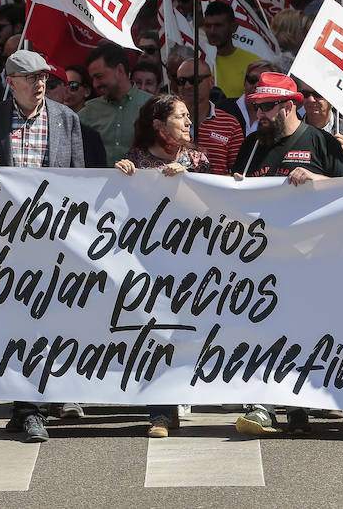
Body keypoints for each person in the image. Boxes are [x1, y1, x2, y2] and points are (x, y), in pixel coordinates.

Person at [231, 71, 343, 437]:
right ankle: (262, 402)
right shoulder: (253, 144)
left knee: (302, 330)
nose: (260, 114)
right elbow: (231, 192)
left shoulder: (320, 142)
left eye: (267, 107)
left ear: (289, 106)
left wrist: (317, 180)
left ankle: (297, 401)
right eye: (256, 106)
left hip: (311, 259)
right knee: (262, 327)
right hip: (262, 256)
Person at [0, 50, 87, 443]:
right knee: (17, 321)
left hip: (52, 236)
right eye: (31, 77)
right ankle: (27, 407)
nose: (40, 83)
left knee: (44, 319)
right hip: (6, 238)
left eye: (43, 77)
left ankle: (31, 407)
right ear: (11, 81)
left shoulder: (66, 118)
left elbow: (77, 181)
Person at [114, 94, 213, 438]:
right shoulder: (136, 160)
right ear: (158, 126)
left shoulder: (198, 161)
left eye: (189, 116)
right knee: (154, 333)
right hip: (149, 264)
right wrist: (122, 176)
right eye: (180, 117)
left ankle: (182, 395)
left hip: (193, 263)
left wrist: (190, 181)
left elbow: (216, 207)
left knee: (186, 332)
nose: (189, 122)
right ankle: (159, 412)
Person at [81, 43, 152, 166]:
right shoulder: (88, 110)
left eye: (99, 76)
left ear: (119, 70)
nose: (95, 84)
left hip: (141, 183)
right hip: (99, 183)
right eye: (93, 78)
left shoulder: (152, 106)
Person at [174, 58, 243, 176]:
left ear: (211, 82)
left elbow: (238, 170)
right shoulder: (167, 121)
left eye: (194, 80)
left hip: (215, 193)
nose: (187, 85)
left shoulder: (230, 123)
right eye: (181, 81)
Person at [202, 1, 262, 101]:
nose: (212, 31)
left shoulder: (253, 63)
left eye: (218, 25)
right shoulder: (198, 61)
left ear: (234, 27)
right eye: (208, 26)